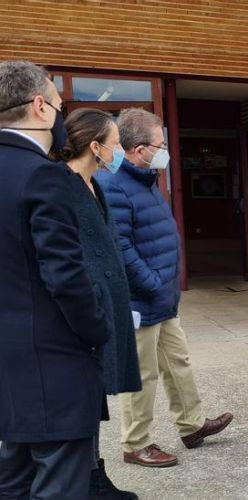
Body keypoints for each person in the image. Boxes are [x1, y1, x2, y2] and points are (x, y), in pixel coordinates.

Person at [0, 60, 114, 499]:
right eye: (59, 104)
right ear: (40, 107)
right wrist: (97, 328)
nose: (62, 116)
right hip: (51, 360)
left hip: (10, 361)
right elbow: (64, 274)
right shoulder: (41, 175)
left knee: (14, 478)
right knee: (60, 482)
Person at [96, 108, 233, 468]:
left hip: (162, 298)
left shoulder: (145, 180)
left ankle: (192, 425)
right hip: (141, 299)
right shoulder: (114, 186)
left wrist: (164, 285)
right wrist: (152, 282)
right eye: (160, 145)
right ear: (139, 149)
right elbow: (120, 248)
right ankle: (136, 443)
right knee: (142, 374)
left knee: (178, 362)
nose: (165, 152)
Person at [56, 108, 142, 499]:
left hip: (108, 305)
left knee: (96, 396)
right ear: (95, 146)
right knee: (86, 397)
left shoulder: (95, 185)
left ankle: (94, 473)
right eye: (115, 144)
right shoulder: (62, 186)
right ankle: (87, 478)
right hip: (86, 310)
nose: (119, 151)